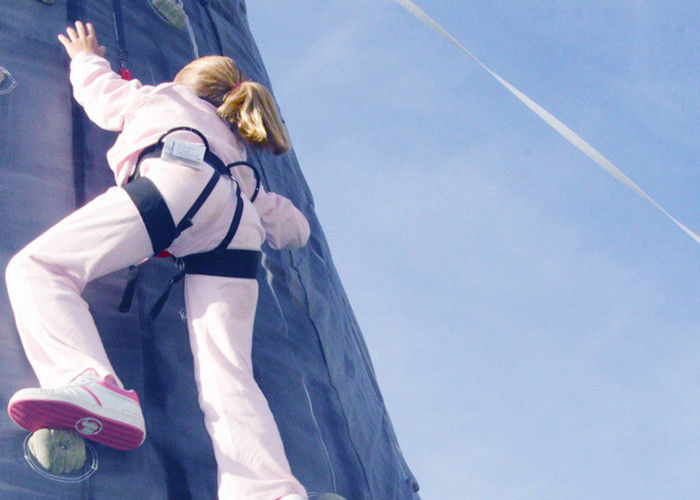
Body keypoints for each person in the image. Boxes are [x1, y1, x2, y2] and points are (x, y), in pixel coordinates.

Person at [5, 21, 312, 500]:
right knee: (229, 371)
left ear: (188, 84)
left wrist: (85, 57)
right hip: (239, 224)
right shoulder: (238, 157)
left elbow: (103, 97)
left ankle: (92, 383)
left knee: (38, 268)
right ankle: (268, 490)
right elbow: (292, 228)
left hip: (177, 182)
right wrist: (292, 225)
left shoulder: (163, 97)